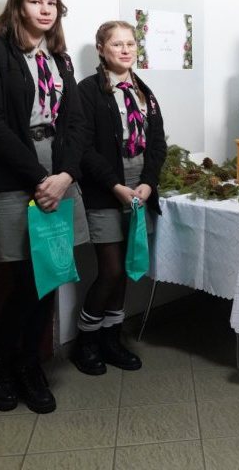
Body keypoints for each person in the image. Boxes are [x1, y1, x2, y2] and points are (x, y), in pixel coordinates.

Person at [0, 0, 89, 414]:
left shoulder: (60, 59)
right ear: (18, 5)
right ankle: (4, 366)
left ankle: (30, 366)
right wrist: (39, 178)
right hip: (17, 175)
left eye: (51, 3)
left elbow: (76, 123)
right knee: (25, 281)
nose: (45, 10)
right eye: (36, 1)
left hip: (59, 173)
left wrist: (66, 175)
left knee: (50, 276)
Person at [73, 21, 166, 375]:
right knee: (110, 270)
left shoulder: (144, 92)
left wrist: (148, 183)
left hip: (138, 191)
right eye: (117, 44)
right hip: (106, 191)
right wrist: (115, 185)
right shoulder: (87, 91)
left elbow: (157, 144)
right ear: (101, 48)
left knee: (126, 268)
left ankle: (112, 339)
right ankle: (86, 342)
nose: (126, 50)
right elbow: (84, 148)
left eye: (130, 44)